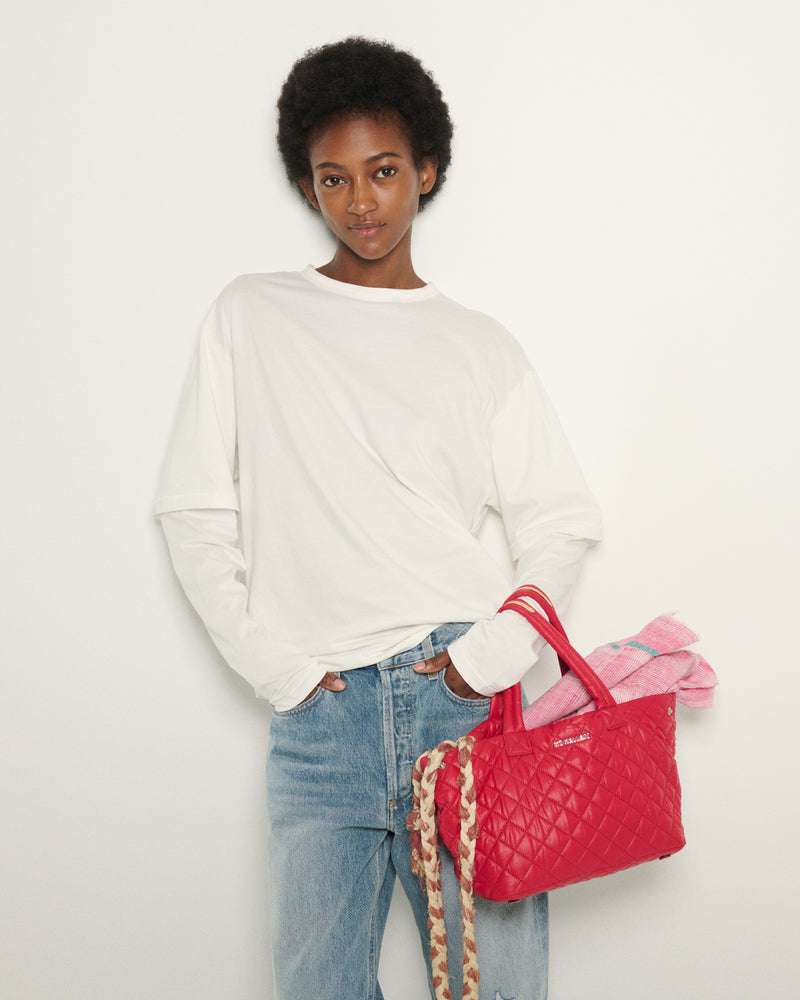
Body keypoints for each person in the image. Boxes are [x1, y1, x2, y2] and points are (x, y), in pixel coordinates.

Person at [154, 36, 602, 1000]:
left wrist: (485, 660)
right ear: (306, 185)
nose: (361, 200)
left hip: (462, 709)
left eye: (384, 171)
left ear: (426, 171)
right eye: (335, 178)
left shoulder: (480, 347)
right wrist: (280, 671)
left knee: (498, 991)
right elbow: (193, 513)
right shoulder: (251, 316)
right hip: (322, 723)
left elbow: (562, 519)